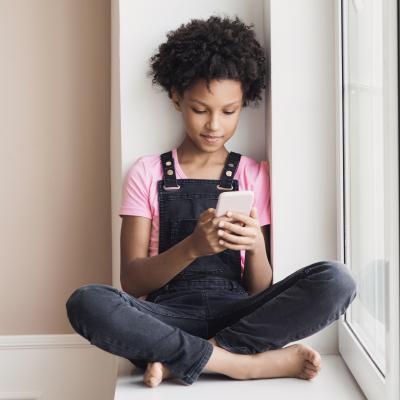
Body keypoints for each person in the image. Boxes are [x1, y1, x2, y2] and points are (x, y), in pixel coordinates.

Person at [66, 14, 357, 388]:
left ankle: (189, 359)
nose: (214, 125)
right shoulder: (147, 172)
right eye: (200, 109)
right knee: (86, 301)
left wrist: (254, 247)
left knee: (337, 280)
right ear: (176, 98)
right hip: (165, 317)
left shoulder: (253, 174)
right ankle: (242, 365)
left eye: (229, 111)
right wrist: (192, 247)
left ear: (243, 103)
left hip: (237, 316)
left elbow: (259, 289)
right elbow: (132, 281)